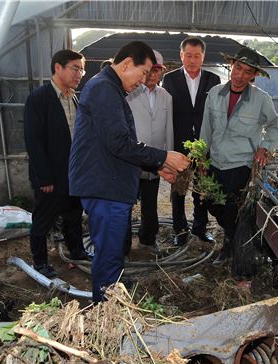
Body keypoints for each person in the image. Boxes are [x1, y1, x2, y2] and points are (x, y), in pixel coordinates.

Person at [68, 41, 189, 302]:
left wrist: (159, 165)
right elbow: (120, 144)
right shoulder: (103, 89)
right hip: (104, 186)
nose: (144, 80)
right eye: (143, 72)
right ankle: (105, 309)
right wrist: (164, 156)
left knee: (112, 250)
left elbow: (117, 145)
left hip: (109, 183)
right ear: (126, 65)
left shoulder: (109, 89)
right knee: (109, 252)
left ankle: (112, 287)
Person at [200, 47, 278, 266]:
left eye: (247, 71)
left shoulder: (261, 99)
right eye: (238, 68)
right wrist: (201, 157)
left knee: (232, 209)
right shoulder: (215, 93)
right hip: (216, 160)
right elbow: (206, 127)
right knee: (212, 203)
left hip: (241, 163)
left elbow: (274, 126)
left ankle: (232, 247)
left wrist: (264, 147)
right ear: (231, 66)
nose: (240, 75)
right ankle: (231, 237)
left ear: (254, 75)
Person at [23, 49, 90, 278]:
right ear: (58, 68)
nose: (79, 73)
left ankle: (77, 251)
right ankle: (40, 262)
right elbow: (34, 141)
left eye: (81, 69)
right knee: (43, 219)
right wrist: (45, 178)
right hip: (51, 175)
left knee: (73, 215)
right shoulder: (39, 99)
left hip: (74, 173)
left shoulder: (73, 97)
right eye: (75, 68)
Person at [162, 36, 221, 246]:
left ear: (203, 57)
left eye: (197, 56)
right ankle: (179, 230)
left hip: (204, 146)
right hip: (179, 144)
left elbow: (216, 114)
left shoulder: (213, 80)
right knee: (178, 190)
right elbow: (166, 113)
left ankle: (200, 228)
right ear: (181, 55)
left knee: (202, 189)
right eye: (189, 55)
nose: (193, 60)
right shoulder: (169, 79)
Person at [126, 50, 173, 250]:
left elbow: (168, 128)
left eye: (157, 69)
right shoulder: (130, 93)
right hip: (131, 158)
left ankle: (148, 238)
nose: (153, 74)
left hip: (154, 160)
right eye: (150, 69)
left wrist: (168, 157)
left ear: (162, 71)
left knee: (150, 202)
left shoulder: (165, 96)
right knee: (126, 202)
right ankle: (123, 243)